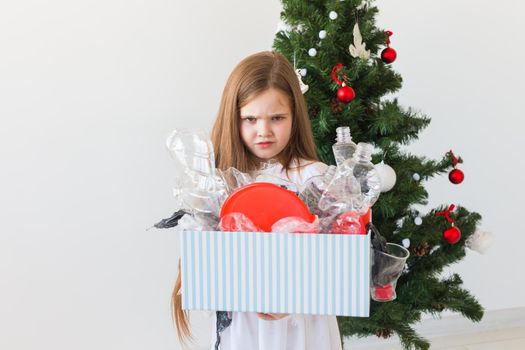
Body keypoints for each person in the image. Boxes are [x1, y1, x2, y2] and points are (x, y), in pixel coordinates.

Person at [171, 51, 342, 350]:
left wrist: (295, 297)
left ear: (295, 116)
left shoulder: (317, 179)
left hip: (301, 326)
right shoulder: (217, 184)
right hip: (243, 328)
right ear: (233, 118)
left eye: (277, 118)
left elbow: (336, 265)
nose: (263, 131)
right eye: (250, 119)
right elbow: (204, 265)